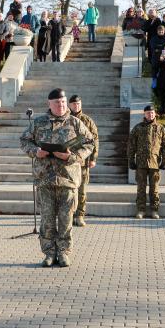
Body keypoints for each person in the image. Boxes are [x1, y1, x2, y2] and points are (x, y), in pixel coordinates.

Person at [19, 88, 95, 267]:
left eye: (62, 102)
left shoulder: (75, 123)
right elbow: (24, 141)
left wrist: (71, 157)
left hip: (68, 179)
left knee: (66, 219)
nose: (60, 105)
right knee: (47, 219)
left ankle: (64, 253)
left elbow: (89, 142)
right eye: (56, 103)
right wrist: (36, 151)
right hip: (45, 178)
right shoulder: (39, 123)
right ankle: (49, 253)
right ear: (49, 104)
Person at [127, 105, 165, 219]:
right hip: (141, 163)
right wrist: (131, 159)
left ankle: (154, 210)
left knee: (154, 188)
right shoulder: (137, 128)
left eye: (152, 113)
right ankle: (141, 210)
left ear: (155, 114)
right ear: (144, 114)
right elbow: (131, 145)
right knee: (141, 188)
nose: (150, 115)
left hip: (155, 163)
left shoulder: (161, 129)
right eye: (148, 113)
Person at [67, 95, 98, 227]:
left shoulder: (87, 120)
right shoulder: (65, 119)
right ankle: (69, 215)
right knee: (68, 190)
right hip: (67, 161)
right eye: (74, 104)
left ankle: (80, 215)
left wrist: (93, 158)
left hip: (83, 161)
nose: (76, 106)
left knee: (82, 190)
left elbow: (95, 140)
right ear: (69, 105)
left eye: (78, 104)